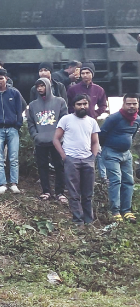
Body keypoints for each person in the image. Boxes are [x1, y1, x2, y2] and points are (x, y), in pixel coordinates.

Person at [54, 95, 100, 225]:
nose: (82, 106)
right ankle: (77, 221)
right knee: (74, 193)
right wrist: (64, 157)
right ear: (73, 106)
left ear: (89, 105)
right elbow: (56, 139)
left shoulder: (92, 121)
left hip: (87, 160)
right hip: (71, 160)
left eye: (85, 104)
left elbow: (95, 141)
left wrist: (93, 156)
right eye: (79, 104)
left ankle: (88, 221)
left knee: (88, 193)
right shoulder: (66, 119)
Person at [0, 68, 26, 195]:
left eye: (1, 78)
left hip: (12, 129)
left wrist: (17, 125)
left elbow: (19, 111)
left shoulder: (14, 93)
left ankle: (13, 183)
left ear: (6, 79)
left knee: (13, 158)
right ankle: (2, 183)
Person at [26, 77, 68, 203]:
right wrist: (35, 135)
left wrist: (59, 136)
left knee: (59, 166)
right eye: (37, 86)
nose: (39, 89)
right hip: (40, 141)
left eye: (42, 86)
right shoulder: (33, 105)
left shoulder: (59, 101)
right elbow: (30, 122)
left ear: (48, 87)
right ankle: (46, 191)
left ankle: (60, 192)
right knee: (42, 166)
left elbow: (64, 120)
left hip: (56, 141)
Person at [99, 92, 139, 222]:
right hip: (111, 152)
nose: (131, 106)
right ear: (123, 104)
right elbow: (102, 134)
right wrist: (106, 148)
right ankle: (115, 211)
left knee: (129, 181)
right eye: (129, 103)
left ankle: (126, 210)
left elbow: (131, 135)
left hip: (126, 154)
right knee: (116, 180)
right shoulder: (114, 118)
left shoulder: (137, 119)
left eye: (134, 103)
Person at [67, 64, 109, 181]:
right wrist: (74, 114)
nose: (85, 75)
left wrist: (95, 114)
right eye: (83, 73)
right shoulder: (73, 89)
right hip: (76, 123)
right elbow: (69, 104)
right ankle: (77, 174)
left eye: (87, 73)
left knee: (97, 148)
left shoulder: (98, 89)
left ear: (92, 74)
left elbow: (103, 105)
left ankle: (102, 176)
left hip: (91, 123)